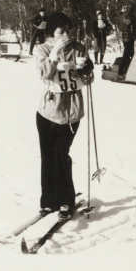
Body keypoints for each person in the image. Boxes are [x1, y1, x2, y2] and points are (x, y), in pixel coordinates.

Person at [34, 12, 94, 221]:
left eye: (68, 29)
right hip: (48, 111)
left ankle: (66, 199)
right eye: (61, 30)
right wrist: (55, 52)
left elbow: (87, 80)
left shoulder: (78, 48)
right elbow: (43, 73)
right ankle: (48, 201)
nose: (66, 34)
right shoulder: (42, 49)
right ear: (52, 31)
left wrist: (87, 69)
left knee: (61, 153)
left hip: (71, 112)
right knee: (48, 156)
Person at [117, 5, 136, 80]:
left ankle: (125, 72)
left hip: (124, 38)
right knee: (128, 56)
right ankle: (121, 73)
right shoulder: (132, 18)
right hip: (130, 39)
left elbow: (120, 26)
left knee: (127, 56)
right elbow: (132, 31)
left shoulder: (122, 16)